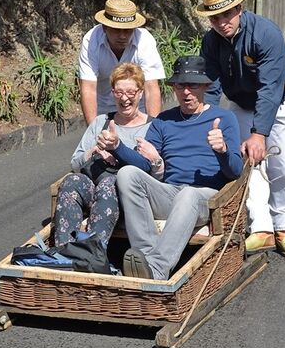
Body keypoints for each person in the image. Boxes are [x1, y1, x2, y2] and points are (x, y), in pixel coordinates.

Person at [98, 55, 243, 280]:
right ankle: (143, 258)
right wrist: (117, 147)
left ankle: (157, 269)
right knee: (127, 174)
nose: (186, 92)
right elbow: (144, 164)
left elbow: (235, 171)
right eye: (180, 85)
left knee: (189, 194)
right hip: (171, 193)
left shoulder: (224, 118)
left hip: (207, 197)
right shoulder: (164, 120)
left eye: (192, 85)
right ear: (174, 88)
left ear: (205, 86)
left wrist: (222, 150)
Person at [196, 0, 285, 260]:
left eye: (226, 15)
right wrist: (202, 119)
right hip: (241, 102)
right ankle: (262, 227)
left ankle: (284, 227)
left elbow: (270, 88)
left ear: (239, 9)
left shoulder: (266, 33)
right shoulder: (210, 42)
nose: (222, 23)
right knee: (248, 163)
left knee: (283, 163)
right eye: (215, 18)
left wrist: (259, 133)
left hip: (279, 101)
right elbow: (212, 87)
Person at [52, 63, 154, 247]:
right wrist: (93, 151)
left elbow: (154, 171)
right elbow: (75, 163)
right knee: (71, 181)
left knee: (110, 184)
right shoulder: (101, 122)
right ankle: (64, 250)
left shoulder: (152, 127)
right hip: (96, 190)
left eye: (131, 92)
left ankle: (94, 252)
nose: (124, 98)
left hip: (130, 196)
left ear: (140, 93)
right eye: (119, 92)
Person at [77, 0, 165, 125]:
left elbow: (151, 88)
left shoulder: (144, 40)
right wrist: (93, 130)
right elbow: (88, 88)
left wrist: (154, 130)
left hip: (136, 109)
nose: (123, 36)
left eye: (128, 30)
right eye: (117, 30)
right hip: (104, 110)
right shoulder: (91, 41)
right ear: (104, 28)